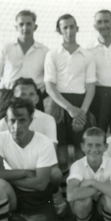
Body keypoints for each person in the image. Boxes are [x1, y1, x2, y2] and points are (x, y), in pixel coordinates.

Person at [0, 98, 61, 221]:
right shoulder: (1, 139)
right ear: (6, 121)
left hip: (39, 202)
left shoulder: (44, 143)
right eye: (12, 120)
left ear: (31, 120)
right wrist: (25, 173)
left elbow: (40, 184)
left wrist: (8, 177)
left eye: (22, 120)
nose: (16, 126)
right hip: (13, 195)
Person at [0, 77, 66, 215]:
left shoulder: (47, 120)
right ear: (14, 96)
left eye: (32, 94)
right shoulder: (3, 124)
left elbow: (51, 153)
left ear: (38, 98)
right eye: (23, 95)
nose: (28, 99)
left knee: (55, 173)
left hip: (39, 169)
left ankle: (53, 199)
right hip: (13, 171)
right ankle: (6, 204)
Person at [45, 14, 96, 173]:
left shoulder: (87, 55)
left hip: (81, 104)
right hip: (60, 104)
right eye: (64, 27)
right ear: (59, 30)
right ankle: (63, 189)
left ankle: (81, 186)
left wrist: (81, 113)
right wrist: (69, 109)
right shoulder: (52, 54)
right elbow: (50, 87)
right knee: (61, 152)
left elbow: (91, 86)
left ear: (77, 28)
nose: (69, 31)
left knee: (81, 151)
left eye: (71, 26)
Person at [67, 127, 111, 221]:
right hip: (84, 209)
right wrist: (106, 187)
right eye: (89, 145)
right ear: (82, 147)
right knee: (82, 200)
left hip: (102, 207)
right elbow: (71, 195)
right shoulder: (77, 165)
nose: (94, 149)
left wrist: (92, 182)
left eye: (98, 145)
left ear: (106, 147)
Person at [0, 10, 49, 119]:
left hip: (33, 97)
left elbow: (50, 79)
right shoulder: (5, 48)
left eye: (29, 24)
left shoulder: (44, 51)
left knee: (35, 130)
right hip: (9, 96)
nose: (25, 28)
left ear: (35, 27)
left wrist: (39, 95)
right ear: (16, 27)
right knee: (4, 131)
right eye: (21, 24)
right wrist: (6, 91)